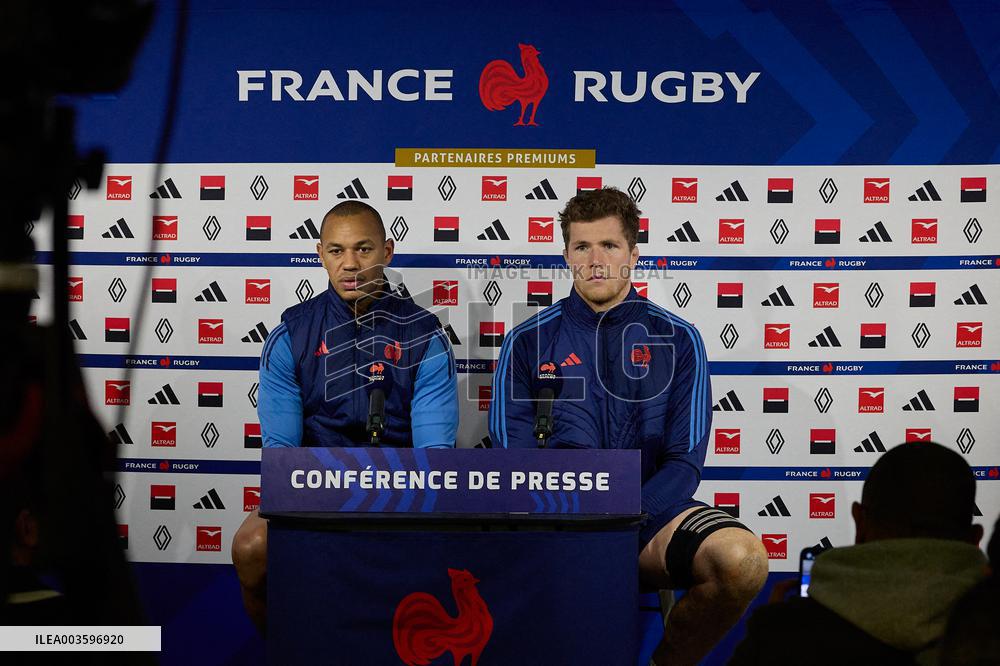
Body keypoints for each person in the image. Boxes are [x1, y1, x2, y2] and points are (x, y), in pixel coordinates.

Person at [489, 187, 768, 665]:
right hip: (558, 525)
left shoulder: (679, 339)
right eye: (582, 247)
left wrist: (626, 516)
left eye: (610, 246)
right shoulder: (527, 341)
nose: (596, 260)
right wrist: (573, 518)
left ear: (634, 255)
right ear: (565, 255)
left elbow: (683, 462)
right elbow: (513, 458)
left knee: (741, 561)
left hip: (648, 524)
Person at [231, 201, 458, 631]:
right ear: (320, 254)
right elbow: (280, 454)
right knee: (251, 549)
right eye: (336, 251)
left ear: (387, 252)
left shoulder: (425, 335)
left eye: (364, 249)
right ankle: (284, 654)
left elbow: (435, 458)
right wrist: (325, 488)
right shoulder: (291, 333)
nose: (350, 264)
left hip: (400, 490)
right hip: (314, 487)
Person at [730, 442, 988, 666]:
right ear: (975, 538)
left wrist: (775, 629)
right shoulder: (990, 633)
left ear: (859, 523)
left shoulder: (780, 635)